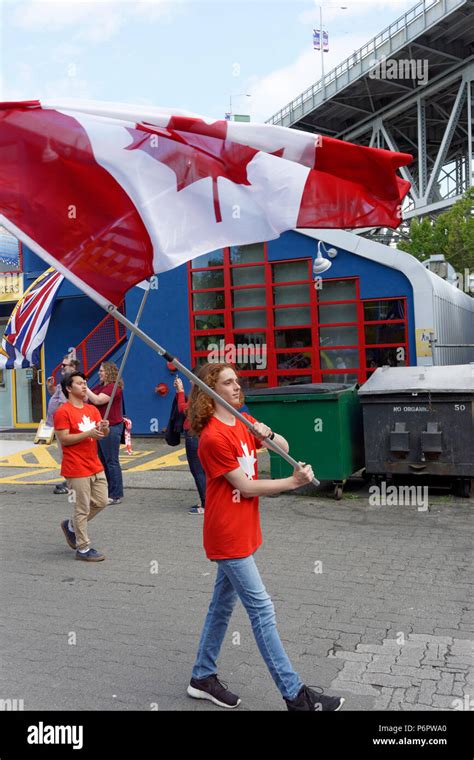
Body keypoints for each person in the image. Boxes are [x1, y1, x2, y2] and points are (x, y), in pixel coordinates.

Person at [186, 362, 344, 712]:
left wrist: (267, 435)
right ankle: (295, 695)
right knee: (262, 609)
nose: (237, 387)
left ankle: (202, 676)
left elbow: (283, 445)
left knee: (221, 606)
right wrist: (292, 483)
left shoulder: (241, 423)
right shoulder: (212, 437)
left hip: (243, 529)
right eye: (227, 383)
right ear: (211, 392)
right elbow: (245, 485)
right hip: (226, 535)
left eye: (237, 381)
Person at [54, 371, 110, 562]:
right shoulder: (63, 412)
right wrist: (88, 434)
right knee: (82, 508)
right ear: (69, 388)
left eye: (85, 382)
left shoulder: (92, 410)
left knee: (102, 501)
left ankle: (71, 526)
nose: (85, 386)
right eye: (79, 383)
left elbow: (101, 434)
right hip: (75, 467)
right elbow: (64, 439)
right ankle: (83, 548)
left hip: (94, 464)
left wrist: (105, 427)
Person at [86, 361, 124, 505]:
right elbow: (87, 398)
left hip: (112, 427)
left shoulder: (114, 388)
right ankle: (107, 491)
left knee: (111, 461)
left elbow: (97, 400)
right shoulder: (101, 387)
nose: (99, 373)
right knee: (102, 461)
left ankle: (115, 494)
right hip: (101, 427)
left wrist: (85, 386)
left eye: (101, 371)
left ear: (108, 372)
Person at [46, 355, 80, 495]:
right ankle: (69, 481)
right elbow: (57, 396)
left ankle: (73, 484)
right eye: (61, 365)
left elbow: (71, 403)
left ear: (73, 367)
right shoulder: (64, 382)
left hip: (67, 426)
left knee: (69, 455)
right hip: (60, 425)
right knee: (65, 455)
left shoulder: (73, 383)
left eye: (64, 365)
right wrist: (50, 388)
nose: (62, 367)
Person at [173, 372, 206, 515]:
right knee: (203, 470)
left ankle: (206, 504)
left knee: (197, 470)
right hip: (200, 434)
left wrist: (180, 391)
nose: (190, 381)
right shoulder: (205, 393)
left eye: (191, 379)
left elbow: (183, 409)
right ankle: (207, 500)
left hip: (194, 435)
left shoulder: (199, 394)